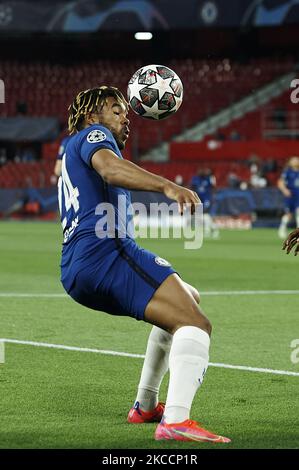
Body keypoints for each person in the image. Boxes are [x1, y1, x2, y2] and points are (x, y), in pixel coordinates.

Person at [59, 86, 230, 444]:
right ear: (92, 117)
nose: (126, 117)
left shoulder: (72, 151)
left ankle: (146, 404)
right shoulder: (94, 136)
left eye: (126, 111)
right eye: (115, 110)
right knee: (196, 323)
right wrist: (168, 187)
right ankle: (176, 421)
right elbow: (109, 168)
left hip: (77, 268)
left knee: (188, 297)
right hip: (105, 254)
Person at [190, 167, 219, 238]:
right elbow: (192, 188)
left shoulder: (209, 179)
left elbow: (214, 188)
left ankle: (207, 231)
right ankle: (214, 229)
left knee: (205, 214)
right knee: (203, 216)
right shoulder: (195, 179)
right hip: (199, 200)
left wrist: (213, 198)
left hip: (207, 199)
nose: (201, 173)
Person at [277, 156, 299, 239]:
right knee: (289, 214)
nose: (296, 161)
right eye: (294, 160)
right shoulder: (287, 172)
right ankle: (282, 228)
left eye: (297, 160)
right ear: (290, 162)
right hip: (290, 195)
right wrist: (284, 190)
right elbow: (280, 182)